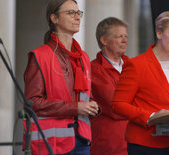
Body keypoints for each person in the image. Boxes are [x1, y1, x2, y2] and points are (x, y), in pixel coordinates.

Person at [23, 0, 99, 154]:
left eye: (78, 13)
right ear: (54, 18)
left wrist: (92, 106)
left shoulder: (83, 57)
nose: (77, 17)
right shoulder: (40, 56)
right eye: (71, 13)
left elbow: (84, 97)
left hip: (83, 138)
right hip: (53, 143)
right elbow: (33, 103)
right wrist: (75, 107)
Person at [111, 11, 169, 155]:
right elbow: (118, 104)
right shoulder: (136, 65)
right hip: (147, 143)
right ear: (159, 33)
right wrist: (151, 117)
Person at [90, 17, 129, 155]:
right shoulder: (93, 69)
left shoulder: (134, 65)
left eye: (126, 36)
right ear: (104, 40)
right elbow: (116, 107)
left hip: (135, 142)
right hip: (109, 145)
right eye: (119, 36)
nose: (125, 40)